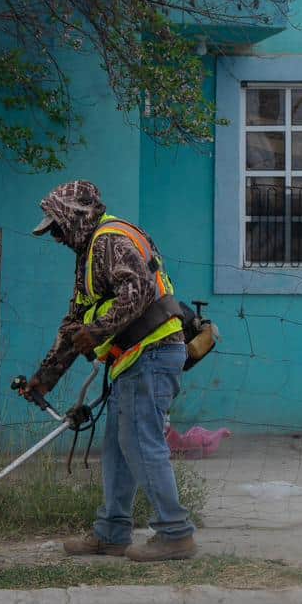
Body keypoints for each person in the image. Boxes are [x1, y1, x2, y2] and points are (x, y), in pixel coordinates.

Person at [25, 180, 197, 562]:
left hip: (150, 353)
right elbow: (74, 321)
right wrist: (46, 376)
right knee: (120, 447)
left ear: (75, 217)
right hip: (134, 357)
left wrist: (95, 331)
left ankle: (175, 533)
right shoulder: (90, 253)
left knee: (140, 443)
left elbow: (136, 293)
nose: (55, 237)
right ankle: (112, 533)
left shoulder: (110, 241)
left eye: (56, 227)